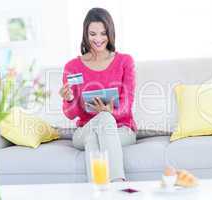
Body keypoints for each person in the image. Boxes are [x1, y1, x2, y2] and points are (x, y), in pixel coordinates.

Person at [59, 7, 137, 182]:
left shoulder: (125, 61)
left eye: (103, 33)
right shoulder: (72, 67)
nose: (98, 39)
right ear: (85, 34)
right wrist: (69, 99)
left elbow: (127, 105)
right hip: (85, 130)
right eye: (93, 34)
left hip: (121, 130)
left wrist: (110, 112)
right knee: (102, 121)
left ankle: (97, 191)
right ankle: (118, 186)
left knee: (100, 130)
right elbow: (71, 114)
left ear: (110, 33)